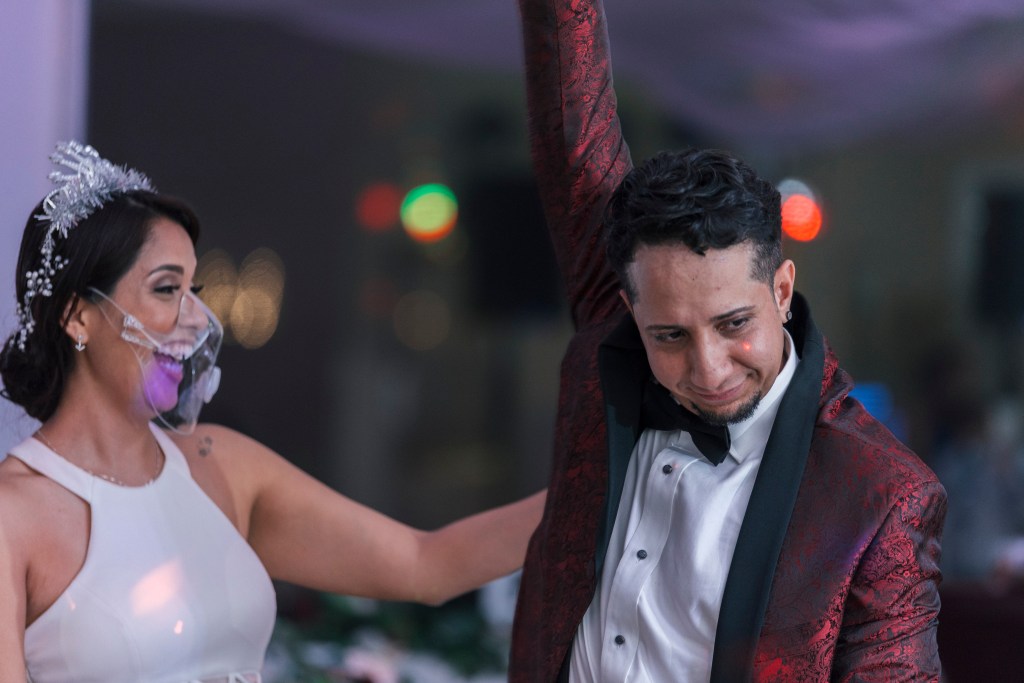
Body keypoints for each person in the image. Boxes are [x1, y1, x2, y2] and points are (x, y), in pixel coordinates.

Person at [508, 0, 947, 681]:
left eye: (734, 324)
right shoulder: (608, 346)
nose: (708, 368)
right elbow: (572, 127)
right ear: (629, 310)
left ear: (781, 290)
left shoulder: (881, 496)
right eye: (669, 335)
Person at [0, 140, 545, 682]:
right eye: (166, 289)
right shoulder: (13, 515)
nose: (196, 319)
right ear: (77, 316)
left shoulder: (223, 466)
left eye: (194, 289)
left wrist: (587, 486)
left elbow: (426, 565)